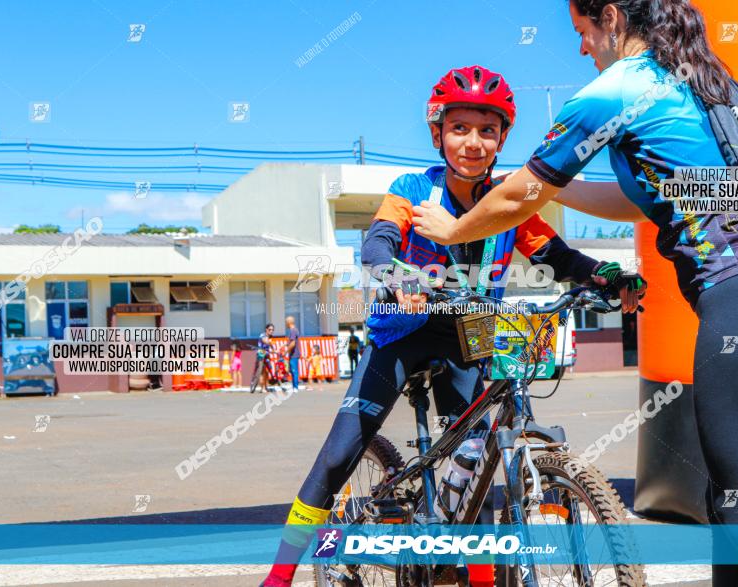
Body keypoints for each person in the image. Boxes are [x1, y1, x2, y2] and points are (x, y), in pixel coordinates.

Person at [412, 3, 738, 586]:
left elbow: (516, 200)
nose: (583, 48)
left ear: (610, 17)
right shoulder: (700, 82)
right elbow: (636, 199)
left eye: (583, 33)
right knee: (730, 502)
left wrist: (454, 228)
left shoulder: (616, 89)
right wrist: (549, 185)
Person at [259, 64, 644, 587]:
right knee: (338, 458)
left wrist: (606, 276)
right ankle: (278, 577)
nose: (474, 142)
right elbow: (377, 243)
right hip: (403, 329)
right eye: (460, 128)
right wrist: (397, 273)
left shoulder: (508, 201)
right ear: (438, 132)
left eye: (488, 130)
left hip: (474, 331)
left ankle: (477, 575)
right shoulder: (412, 188)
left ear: (503, 137)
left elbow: (558, 255)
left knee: (479, 461)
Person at [251, 323, 274, 394]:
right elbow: (265, 341)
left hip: (266, 355)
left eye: (272, 330)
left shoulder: (270, 337)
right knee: (261, 371)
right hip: (261, 354)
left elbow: (271, 347)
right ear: (266, 329)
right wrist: (270, 343)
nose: (271, 331)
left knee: (267, 372)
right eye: (270, 330)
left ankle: (266, 386)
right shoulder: (263, 335)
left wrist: (273, 350)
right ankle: (262, 388)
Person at [284, 316, 303, 392]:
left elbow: (293, 343)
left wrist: (286, 351)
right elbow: (290, 342)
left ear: (289, 322)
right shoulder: (294, 330)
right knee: (292, 370)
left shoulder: (293, 331)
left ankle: (295, 387)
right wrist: (284, 345)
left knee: (294, 370)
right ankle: (294, 387)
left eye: (286, 322)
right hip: (294, 354)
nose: (285, 324)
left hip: (294, 354)